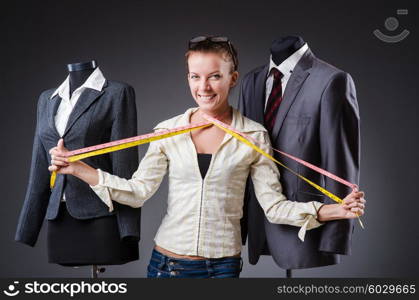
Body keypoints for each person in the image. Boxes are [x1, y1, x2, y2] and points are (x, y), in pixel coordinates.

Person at [48, 36, 365, 278]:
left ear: (233, 78)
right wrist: (78, 170)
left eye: (214, 76)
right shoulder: (167, 130)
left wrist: (333, 211)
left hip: (223, 268)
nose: (204, 87)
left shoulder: (254, 136)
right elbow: (137, 192)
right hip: (164, 265)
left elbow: (274, 207)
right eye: (194, 77)